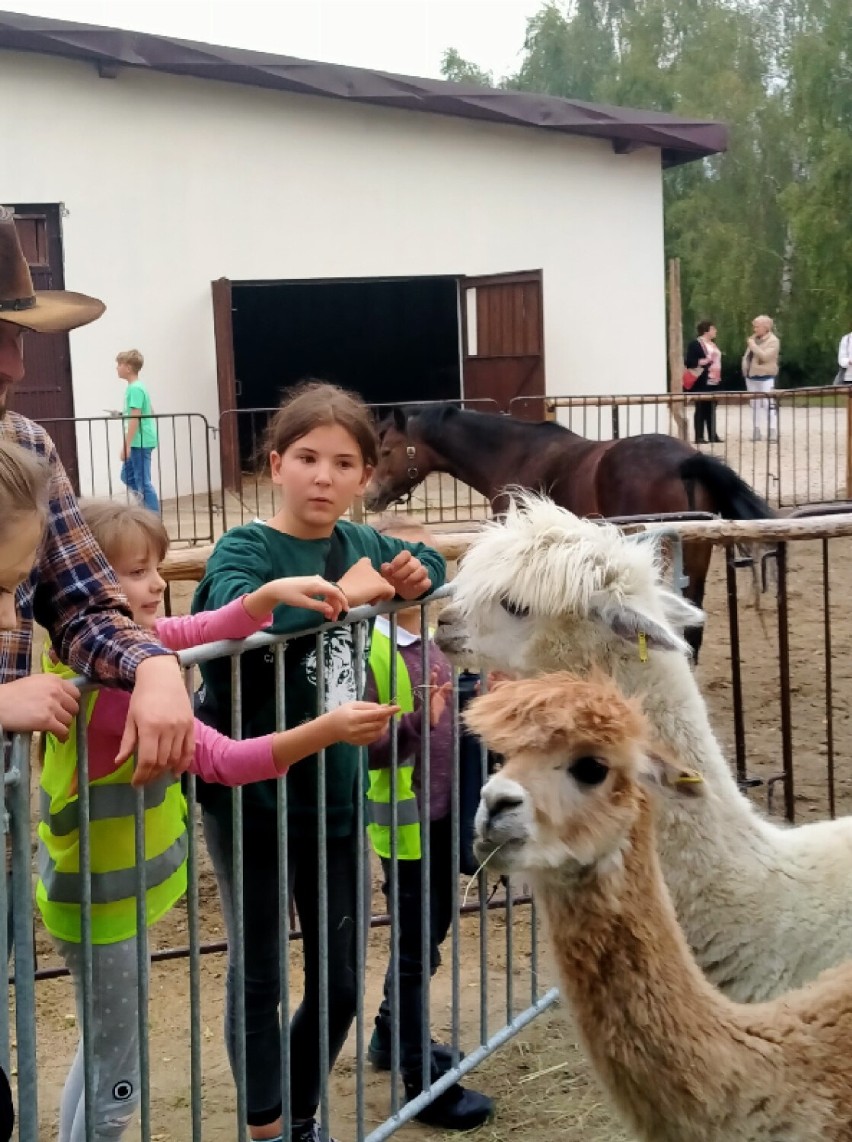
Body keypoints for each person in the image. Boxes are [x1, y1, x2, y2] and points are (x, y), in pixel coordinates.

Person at [35, 498, 399, 1142]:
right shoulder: (118, 696)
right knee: (117, 1078)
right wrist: (326, 729)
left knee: (100, 1051)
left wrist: (268, 599)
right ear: (83, 592)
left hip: (108, 895)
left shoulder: (119, 655)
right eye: (136, 573)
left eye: (156, 569)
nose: (156, 586)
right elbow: (226, 759)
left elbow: (203, 627)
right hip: (100, 902)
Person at [192, 381, 446, 1142]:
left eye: (343, 463)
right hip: (253, 796)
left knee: (338, 981)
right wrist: (341, 594)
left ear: (366, 477)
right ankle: (267, 1126)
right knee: (261, 969)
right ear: (276, 464)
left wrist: (413, 575)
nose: (323, 477)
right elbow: (238, 610)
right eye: (306, 457)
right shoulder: (248, 547)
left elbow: (424, 558)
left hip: (336, 795)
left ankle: (301, 1112)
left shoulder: (360, 542)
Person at [0, 204, 194, 794]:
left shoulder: (26, 446)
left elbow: (81, 605)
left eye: (15, 337)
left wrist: (154, 662)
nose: (13, 363)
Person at [364, 518, 493, 1132]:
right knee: (415, 945)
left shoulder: (438, 644)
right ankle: (420, 1081)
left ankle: (390, 1036)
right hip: (403, 823)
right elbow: (363, 747)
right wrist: (422, 718)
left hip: (441, 813)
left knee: (434, 926)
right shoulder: (372, 650)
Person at [117, 349, 159, 513]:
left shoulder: (135, 389)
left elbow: (136, 417)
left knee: (143, 482)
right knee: (127, 476)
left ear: (128, 367)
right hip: (139, 440)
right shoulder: (138, 387)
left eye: (119, 364)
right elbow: (147, 410)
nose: (117, 368)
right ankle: (144, 509)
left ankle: (152, 517)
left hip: (139, 441)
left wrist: (126, 445)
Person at [742, 315, 780, 442]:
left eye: (757, 326)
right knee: (755, 404)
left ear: (766, 327)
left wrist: (752, 345)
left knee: (769, 403)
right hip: (751, 376)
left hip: (766, 376)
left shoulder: (773, 341)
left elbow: (765, 356)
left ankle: (773, 430)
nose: (755, 329)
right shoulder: (754, 339)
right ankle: (756, 430)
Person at [685, 320, 723, 444]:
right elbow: (690, 362)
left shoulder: (713, 344)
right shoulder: (695, 344)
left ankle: (712, 434)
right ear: (706, 330)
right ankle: (699, 436)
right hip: (702, 380)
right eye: (713, 329)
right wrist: (705, 361)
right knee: (701, 407)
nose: (715, 331)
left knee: (711, 408)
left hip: (714, 379)